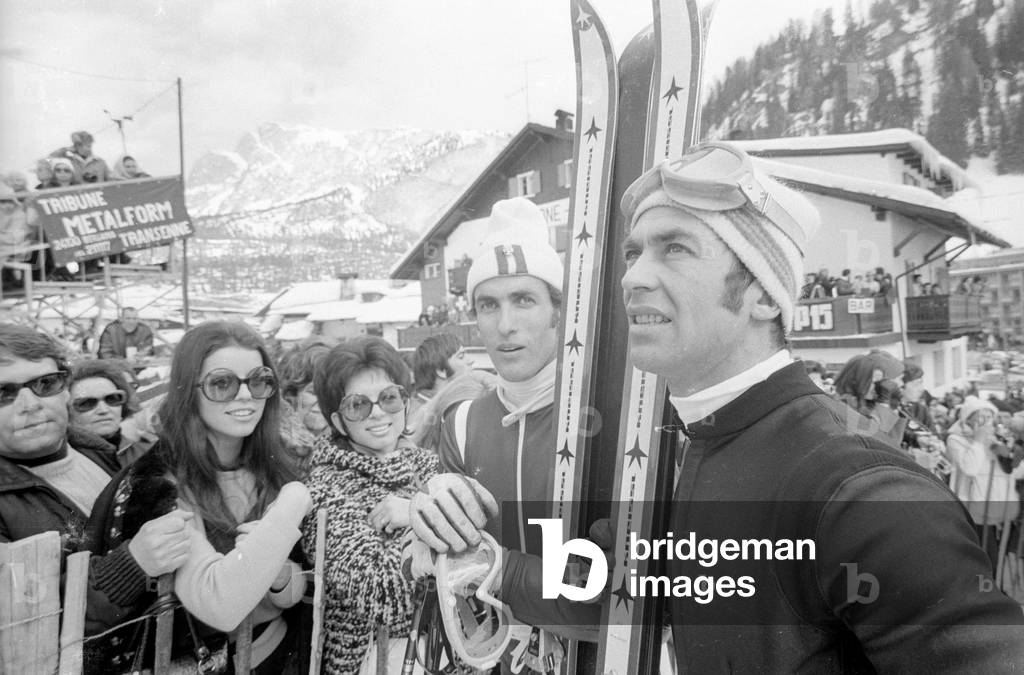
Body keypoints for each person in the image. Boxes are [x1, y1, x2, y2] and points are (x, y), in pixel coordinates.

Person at [414, 144, 1024, 671]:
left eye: (674, 249)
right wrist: (483, 559)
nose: (633, 278)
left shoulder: (856, 484)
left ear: (762, 292)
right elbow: (605, 587)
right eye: (633, 253)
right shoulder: (675, 448)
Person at [408, 198, 600, 670]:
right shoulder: (462, 422)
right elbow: (448, 570)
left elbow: (611, 599)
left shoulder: (606, 421)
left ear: (559, 311)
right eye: (488, 305)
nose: (506, 324)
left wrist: (499, 568)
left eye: (524, 300)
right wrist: (426, 517)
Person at [86, 320, 312, 672]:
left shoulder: (277, 466)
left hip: (277, 656)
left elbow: (296, 585)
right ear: (188, 391)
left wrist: (282, 579)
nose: (244, 395)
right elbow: (220, 603)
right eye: (221, 383)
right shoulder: (158, 481)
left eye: (258, 380)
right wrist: (293, 502)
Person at [0, 323, 195, 657]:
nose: (30, 404)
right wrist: (132, 565)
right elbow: (19, 621)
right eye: (4, 392)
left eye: (45, 383)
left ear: (65, 390)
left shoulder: (98, 452)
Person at [299, 337, 439, 673]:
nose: (377, 413)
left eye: (389, 398)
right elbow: (383, 596)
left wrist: (413, 512)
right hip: (376, 661)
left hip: (442, 655)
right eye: (358, 405)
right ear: (337, 421)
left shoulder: (427, 465)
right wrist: (428, 519)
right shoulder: (326, 489)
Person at [946, 396, 1024, 571]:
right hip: (974, 508)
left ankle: (993, 590)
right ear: (969, 418)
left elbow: (1012, 471)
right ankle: (986, 591)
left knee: (997, 558)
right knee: (986, 558)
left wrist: (1012, 455)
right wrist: (979, 441)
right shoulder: (956, 439)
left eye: (989, 417)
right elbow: (970, 468)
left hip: (997, 508)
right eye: (982, 417)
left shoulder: (994, 439)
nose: (987, 422)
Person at [67, 359, 156, 468]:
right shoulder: (66, 464)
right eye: (86, 403)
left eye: (112, 399)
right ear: (67, 411)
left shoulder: (149, 455)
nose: (103, 410)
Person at [408, 333, 471, 427]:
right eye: (461, 357)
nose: (470, 361)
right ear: (441, 370)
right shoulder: (419, 417)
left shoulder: (450, 404)